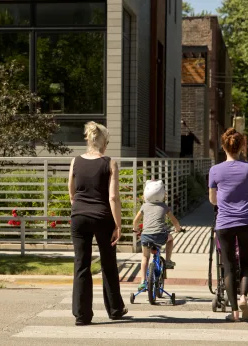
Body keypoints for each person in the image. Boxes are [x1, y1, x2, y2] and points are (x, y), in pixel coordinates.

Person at [68, 121, 127, 326]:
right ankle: (115, 309)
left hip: (79, 218)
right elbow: (113, 198)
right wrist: (118, 225)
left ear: (88, 139)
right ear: (104, 142)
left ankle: (82, 315)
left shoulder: (75, 161)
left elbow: (72, 192)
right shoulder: (110, 163)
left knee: (81, 264)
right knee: (108, 263)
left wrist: (79, 209)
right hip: (103, 217)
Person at [208, 128, 248, 322]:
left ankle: (234, 312)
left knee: (228, 266)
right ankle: (243, 297)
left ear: (223, 147)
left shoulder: (215, 170)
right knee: (246, 262)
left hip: (224, 222)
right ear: (241, 146)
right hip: (247, 221)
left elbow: (213, 200)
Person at [132, 180, 182, 291]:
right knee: (170, 239)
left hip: (146, 236)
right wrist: (178, 228)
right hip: (160, 236)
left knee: (145, 257)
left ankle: (142, 281)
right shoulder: (164, 206)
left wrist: (135, 229)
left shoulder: (144, 206)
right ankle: (168, 260)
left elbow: (136, 220)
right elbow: (174, 221)